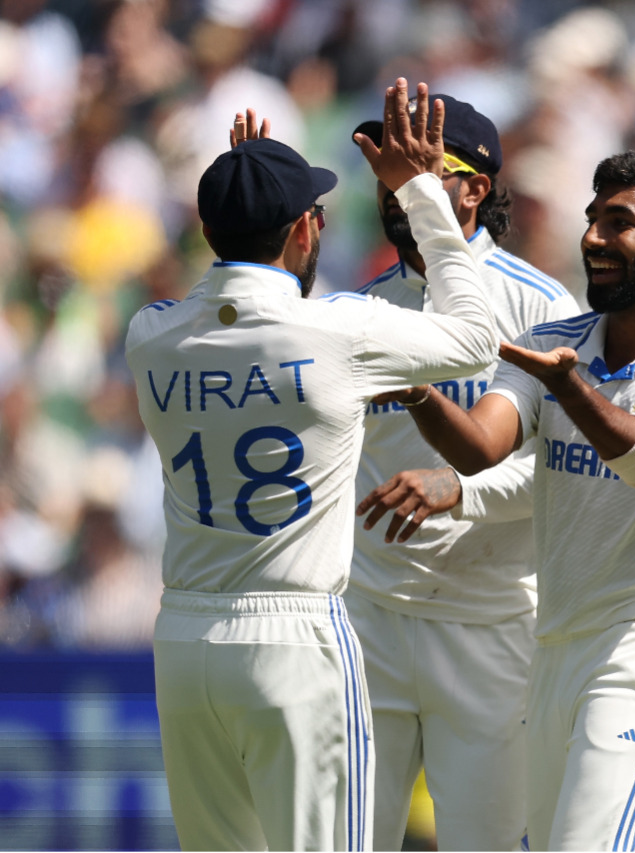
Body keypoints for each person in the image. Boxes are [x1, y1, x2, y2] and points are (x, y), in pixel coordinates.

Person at [126, 79, 498, 851]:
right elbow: (472, 336)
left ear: (209, 230)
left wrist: (243, 195)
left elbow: (231, 303)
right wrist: (423, 189)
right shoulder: (340, 334)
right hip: (294, 637)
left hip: (185, 637)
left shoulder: (151, 334)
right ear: (302, 231)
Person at [363, 150, 635, 851]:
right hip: (553, 656)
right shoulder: (552, 343)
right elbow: (477, 449)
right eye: (591, 220)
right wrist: (419, 389)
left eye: (619, 223)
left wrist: (570, 388)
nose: (593, 239)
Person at [342, 94, 577, 852]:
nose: (396, 184)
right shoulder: (358, 311)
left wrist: (464, 491)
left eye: (421, 167)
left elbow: (570, 466)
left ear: (475, 188)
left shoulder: (543, 308)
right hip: (368, 615)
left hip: (490, 622)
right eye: (387, 166)